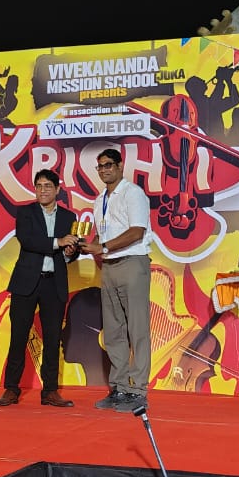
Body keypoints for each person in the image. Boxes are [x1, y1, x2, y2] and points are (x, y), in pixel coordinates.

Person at [0, 168, 80, 408]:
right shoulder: (25, 213)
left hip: (54, 283)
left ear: (57, 190)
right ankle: (11, 389)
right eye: (39, 186)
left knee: (53, 339)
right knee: (18, 336)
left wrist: (70, 251)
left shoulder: (69, 217)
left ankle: (50, 391)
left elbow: (72, 251)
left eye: (48, 186)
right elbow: (28, 240)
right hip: (26, 282)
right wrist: (58, 242)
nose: (43, 190)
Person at [79, 147, 153, 412]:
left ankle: (138, 390)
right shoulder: (99, 200)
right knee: (113, 331)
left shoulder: (133, 193)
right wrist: (83, 246)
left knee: (137, 329)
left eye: (109, 165)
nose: (104, 170)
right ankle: (120, 388)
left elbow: (136, 231)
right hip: (108, 266)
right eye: (100, 166)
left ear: (121, 166)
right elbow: (102, 236)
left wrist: (102, 247)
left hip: (132, 263)